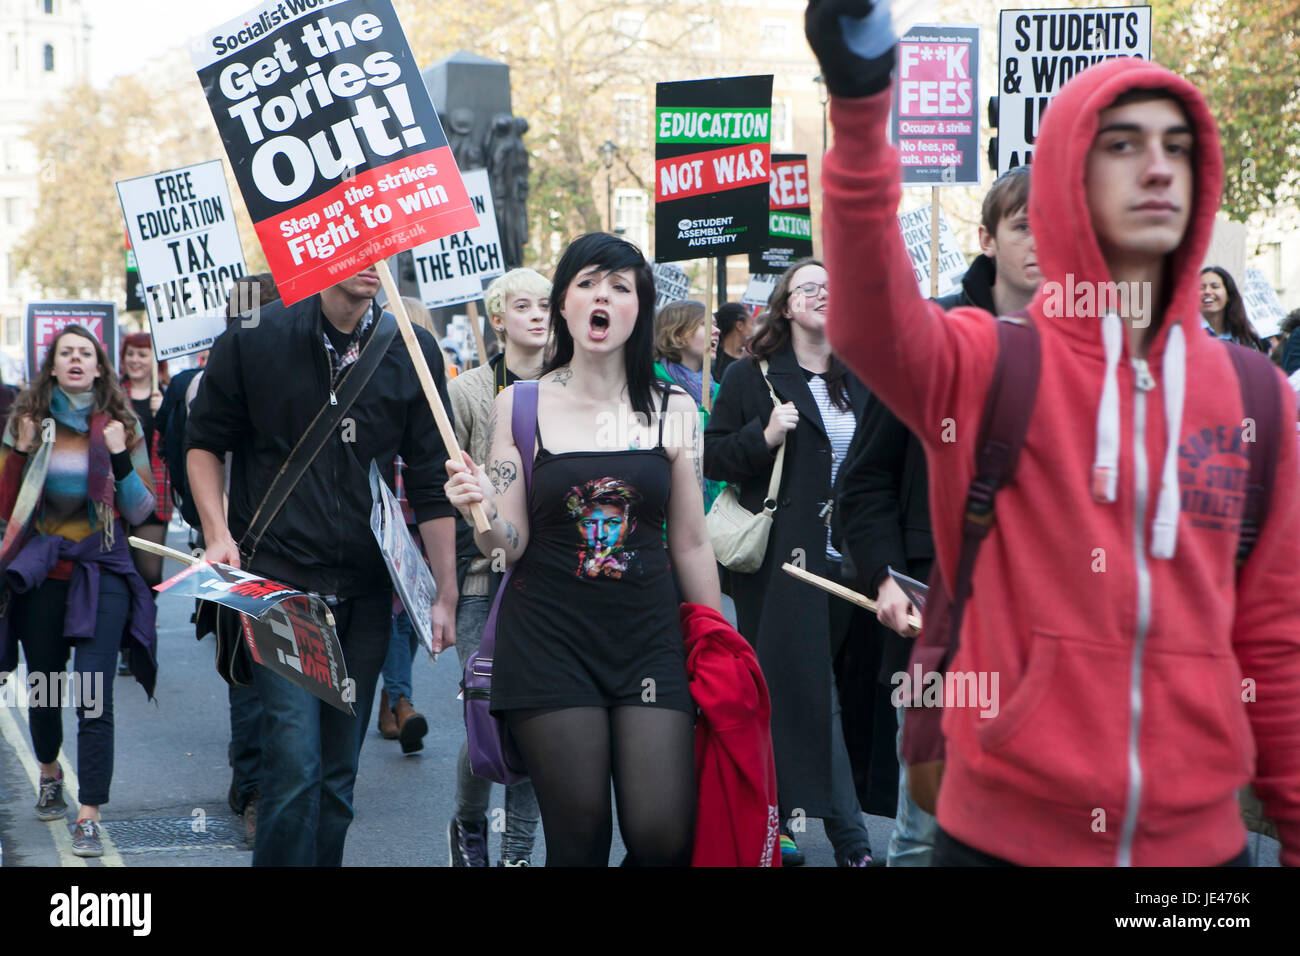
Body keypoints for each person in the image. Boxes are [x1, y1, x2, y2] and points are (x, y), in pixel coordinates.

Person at [807, 0, 1300, 866]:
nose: (1156, 167)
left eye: (1177, 146)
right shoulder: (990, 363)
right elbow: (868, 313)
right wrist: (858, 106)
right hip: (1001, 835)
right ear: (1068, 180)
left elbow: (1276, 637)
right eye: (1122, 144)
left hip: (1200, 859)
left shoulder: (1257, 393)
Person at [445, 232, 721, 867]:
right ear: (563, 305)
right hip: (550, 646)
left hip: (649, 641)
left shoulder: (676, 407)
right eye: (588, 282)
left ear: (638, 309)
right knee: (580, 837)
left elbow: (691, 539)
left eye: (621, 286)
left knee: (662, 836)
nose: (604, 296)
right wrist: (481, 507)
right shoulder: (520, 406)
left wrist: (717, 643)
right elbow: (505, 546)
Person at [186, 263, 460, 867]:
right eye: (355, 242)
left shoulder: (410, 350)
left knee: (338, 780)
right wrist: (216, 533)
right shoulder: (256, 335)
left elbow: (431, 479)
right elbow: (204, 440)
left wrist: (445, 592)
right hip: (280, 588)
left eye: (382, 246)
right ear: (320, 244)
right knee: (296, 769)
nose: (372, 260)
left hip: (364, 598)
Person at [833, 165, 1040, 868]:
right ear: (986, 238)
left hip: (1057, 643)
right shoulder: (928, 341)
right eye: (1023, 225)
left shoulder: (1104, 351)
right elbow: (862, 485)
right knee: (926, 838)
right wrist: (888, 580)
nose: (1045, 241)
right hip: (936, 625)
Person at [703, 258, 874, 867]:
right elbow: (713, 456)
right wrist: (767, 436)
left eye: (832, 287)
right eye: (809, 288)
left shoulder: (862, 376)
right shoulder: (755, 378)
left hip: (851, 563)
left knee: (809, 693)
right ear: (785, 304)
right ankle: (849, 839)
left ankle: (780, 819)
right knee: (810, 688)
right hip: (781, 565)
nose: (822, 295)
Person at [0, 325, 158, 858]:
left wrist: (117, 455)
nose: (74, 360)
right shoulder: (27, 425)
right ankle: (49, 770)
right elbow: (5, 509)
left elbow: (140, 510)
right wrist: (20, 452)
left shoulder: (121, 426)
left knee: (94, 694)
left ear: (98, 367)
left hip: (102, 572)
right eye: (65, 352)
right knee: (44, 687)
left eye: (84, 353)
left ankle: (88, 812)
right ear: (51, 366)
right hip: (43, 576)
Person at [444, 268, 549, 866]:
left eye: (545, 305)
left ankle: (516, 853)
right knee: (487, 714)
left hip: (549, 584)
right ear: (498, 319)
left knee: (538, 720)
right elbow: (444, 488)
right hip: (485, 583)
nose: (537, 315)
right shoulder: (467, 395)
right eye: (523, 305)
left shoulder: (569, 389)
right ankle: (468, 826)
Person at [373, 298, 443, 757]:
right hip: (387, 520)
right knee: (396, 616)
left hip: (423, 523)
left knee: (414, 614)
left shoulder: (438, 393)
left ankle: (391, 702)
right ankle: (402, 700)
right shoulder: (377, 384)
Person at [116, 333, 169, 677]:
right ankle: (124, 645)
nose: (136, 360)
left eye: (143, 354)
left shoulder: (164, 396)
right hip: (118, 496)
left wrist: (163, 415)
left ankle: (142, 640)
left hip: (155, 497)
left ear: (155, 360)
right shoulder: (111, 396)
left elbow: (181, 443)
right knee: (122, 574)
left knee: (149, 575)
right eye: (131, 354)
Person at [653, 299, 723, 511]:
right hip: (665, 512)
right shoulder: (652, 384)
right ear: (677, 335)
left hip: (712, 515)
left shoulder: (719, 391)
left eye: (716, 324)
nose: (717, 331)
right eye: (705, 324)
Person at [1200, 266, 1265, 351]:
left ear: (1229, 295)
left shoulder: (1245, 339)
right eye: (1201, 288)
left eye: (1215, 286)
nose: (1207, 291)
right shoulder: (1183, 336)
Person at [712, 302, 753, 384]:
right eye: (752, 324)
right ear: (740, 325)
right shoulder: (712, 358)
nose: (753, 330)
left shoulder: (750, 358)